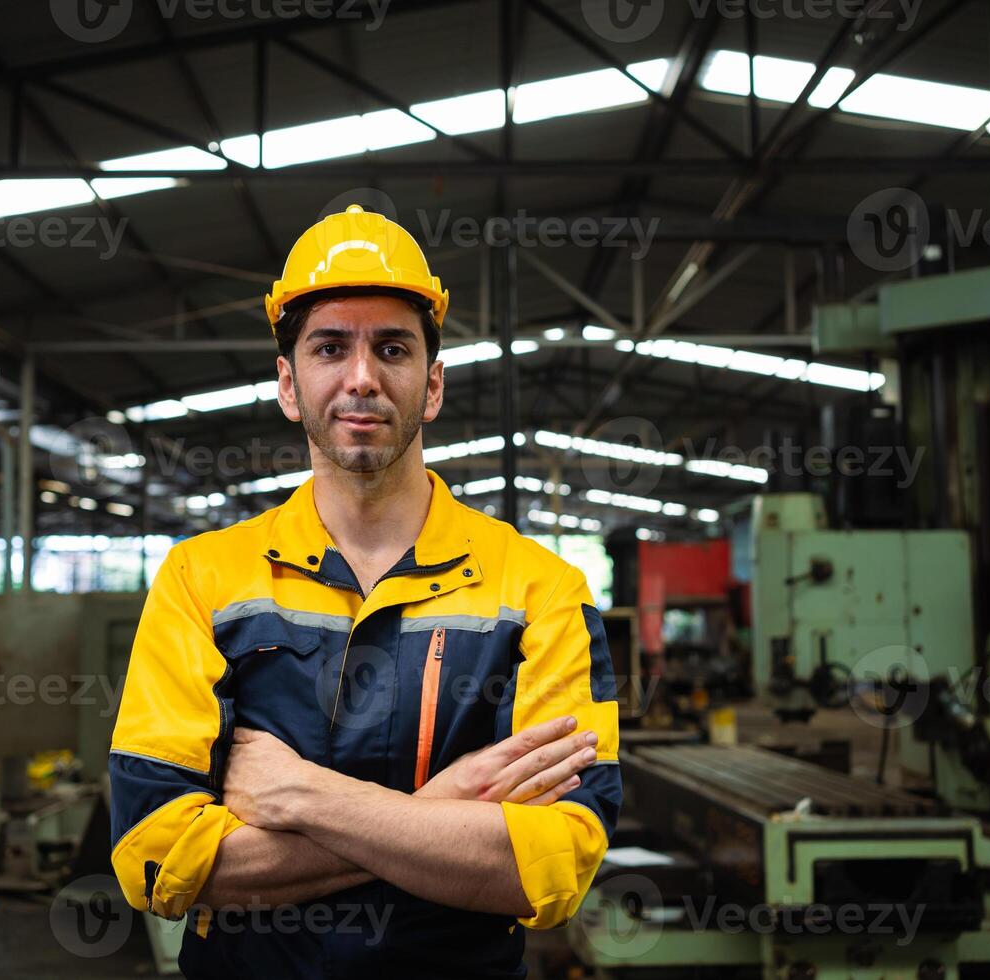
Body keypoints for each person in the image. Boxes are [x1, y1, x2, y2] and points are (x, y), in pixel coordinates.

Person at [109, 204, 621, 979]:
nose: (362, 378)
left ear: (433, 383)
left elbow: (550, 867)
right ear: (288, 384)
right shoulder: (201, 581)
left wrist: (305, 797)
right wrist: (441, 813)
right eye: (329, 347)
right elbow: (155, 859)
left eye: (392, 348)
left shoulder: (542, 590)